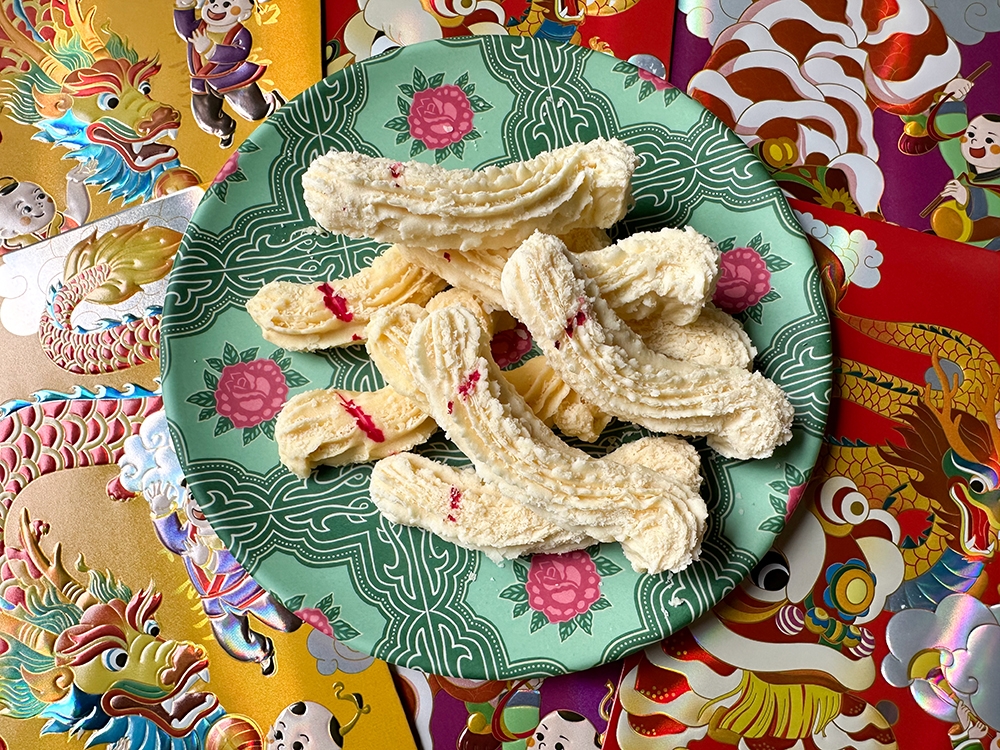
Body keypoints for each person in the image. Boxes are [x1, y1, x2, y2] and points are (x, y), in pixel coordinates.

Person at [173, 0, 284, 148]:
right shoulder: (197, 28)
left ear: (244, 13)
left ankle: (272, 102)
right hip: (202, 82)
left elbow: (239, 53)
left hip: (233, 79)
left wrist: (210, 49)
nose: (216, 6)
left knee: (255, 111)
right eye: (212, 1)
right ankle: (225, 129)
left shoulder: (240, 33)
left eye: (226, 4)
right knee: (206, 119)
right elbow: (184, 27)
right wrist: (185, 4)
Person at [926, 76, 1000, 250]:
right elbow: (952, 137)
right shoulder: (965, 166)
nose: (975, 142)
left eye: (989, 140)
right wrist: (951, 99)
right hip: (959, 241)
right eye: (971, 134)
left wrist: (968, 196)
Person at [0, 161, 95, 255]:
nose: (38, 204)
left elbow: (76, 213)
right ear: (6, 232)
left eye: (40, 196)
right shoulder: (8, 249)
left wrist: (75, 183)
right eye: (26, 209)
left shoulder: (59, 222)